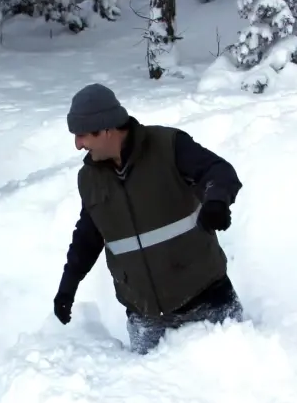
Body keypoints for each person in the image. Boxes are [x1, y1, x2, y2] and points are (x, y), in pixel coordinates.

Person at [52, 82, 245, 354]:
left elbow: (219, 172)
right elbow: (87, 237)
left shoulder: (168, 147)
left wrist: (216, 202)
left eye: (82, 135)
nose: (77, 145)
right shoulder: (90, 179)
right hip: (145, 319)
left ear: (106, 129)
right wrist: (67, 287)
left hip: (209, 300)